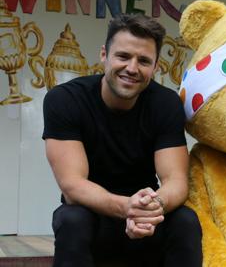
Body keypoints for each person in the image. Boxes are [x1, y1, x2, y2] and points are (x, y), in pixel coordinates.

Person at [42, 14, 202, 267]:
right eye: (123, 56)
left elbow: (176, 181)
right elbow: (72, 185)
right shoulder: (65, 100)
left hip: (146, 219)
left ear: (156, 67)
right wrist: (127, 207)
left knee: (185, 220)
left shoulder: (165, 103)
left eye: (144, 61)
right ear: (104, 55)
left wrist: (154, 207)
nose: (132, 68)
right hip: (93, 217)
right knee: (71, 218)